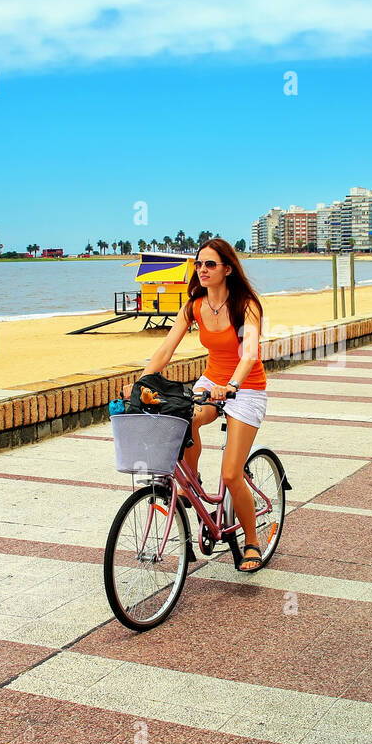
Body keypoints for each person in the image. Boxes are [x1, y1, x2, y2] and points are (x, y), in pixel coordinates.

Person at [123, 238, 270, 572]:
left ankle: (251, 542)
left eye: (210, 265)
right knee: (182, 418)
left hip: (245, 388)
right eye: (199, 264)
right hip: (210, 383)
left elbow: (249, 352)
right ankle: (192, 482)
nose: (202, 270)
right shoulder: (194, 306)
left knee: (232, 474)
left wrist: (232, 385)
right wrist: (143, 381)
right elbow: (167, 348)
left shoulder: (246, 305)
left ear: (227, 269)